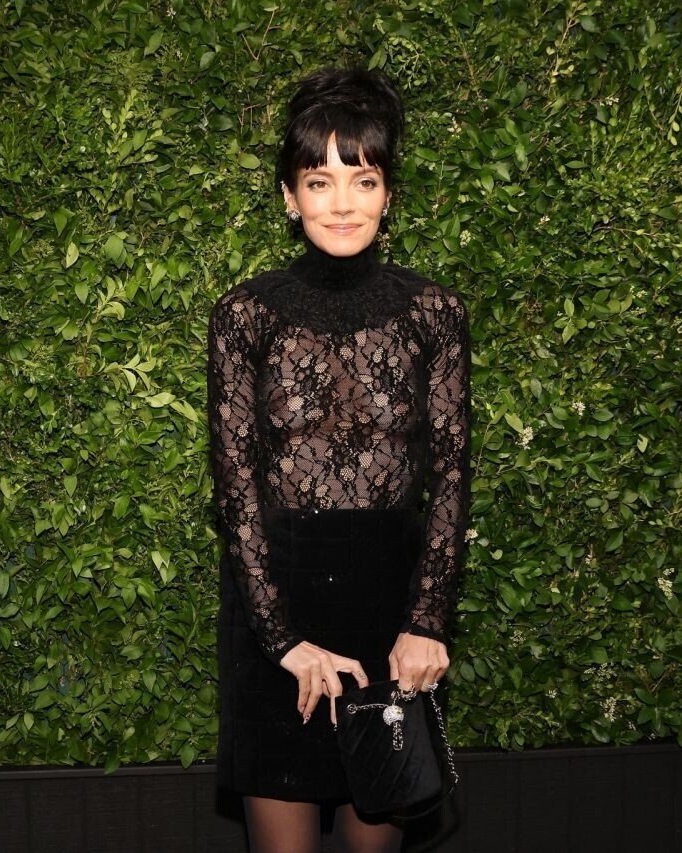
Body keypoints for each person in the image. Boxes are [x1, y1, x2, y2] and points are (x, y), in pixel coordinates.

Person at [206, 66, 472, 853]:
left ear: (388, 193)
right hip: (274, 614)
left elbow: (452, 474)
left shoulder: (434, 313)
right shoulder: (244, 315)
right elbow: (236, 490)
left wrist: (426, 621)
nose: (343, 202)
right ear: (290, 197)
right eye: (320, 181)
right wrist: (282, 640)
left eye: (364, 179)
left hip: (391, 617)